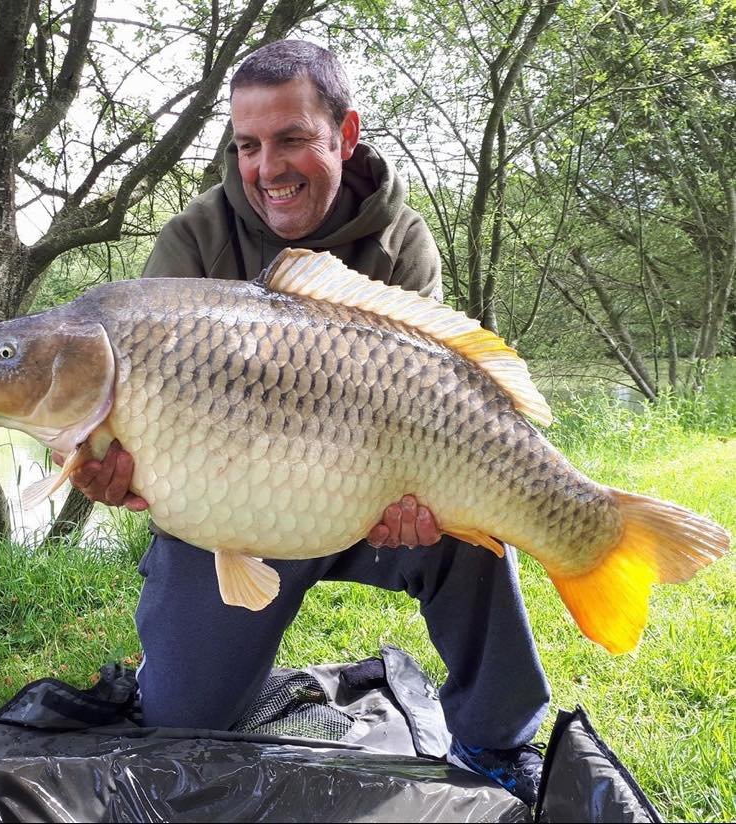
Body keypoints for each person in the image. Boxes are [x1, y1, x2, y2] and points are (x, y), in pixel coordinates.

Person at [69, 40, 550, 807]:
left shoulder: (400, 241)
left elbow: (436, 399)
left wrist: (420, 505)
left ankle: (498, 739)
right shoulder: (194, 242)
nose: (268, 168)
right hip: (231, 515)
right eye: (248, 146)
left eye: (292, 139)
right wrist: (121, 475)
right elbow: (142, 430)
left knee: (475, 531)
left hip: (367, 492)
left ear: (344, 134)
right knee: (181, 728)